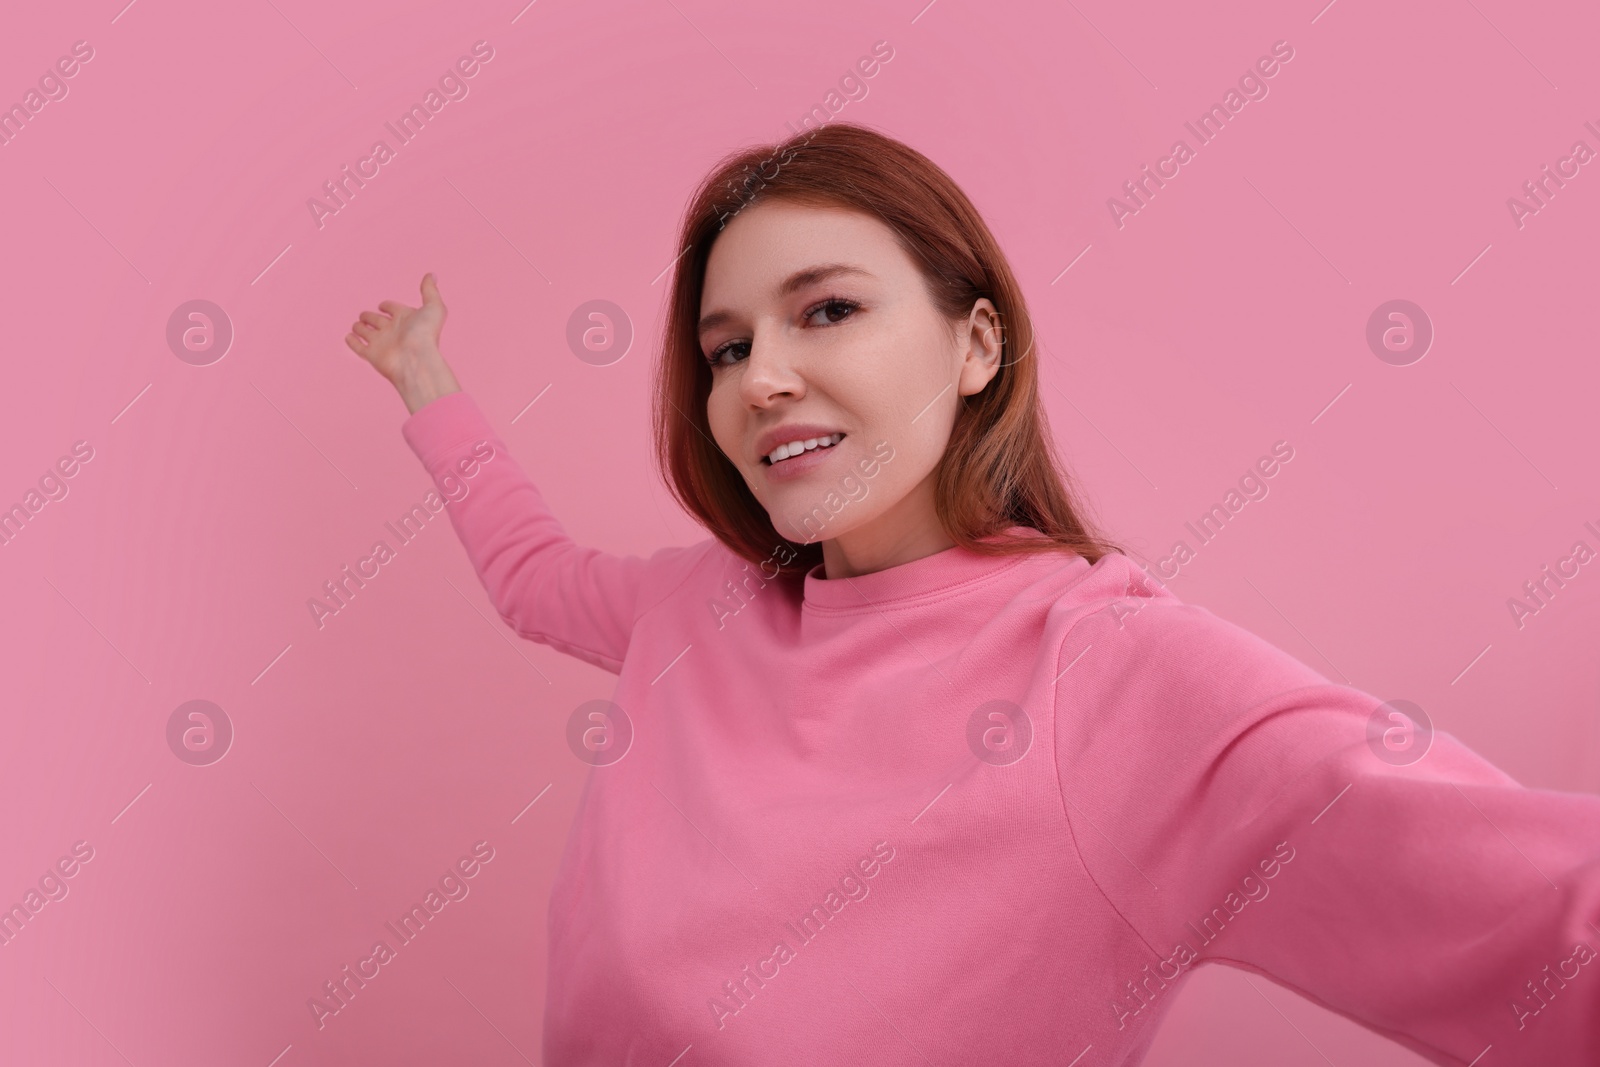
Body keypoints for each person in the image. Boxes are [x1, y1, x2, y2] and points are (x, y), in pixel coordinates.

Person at [343, 122, 1600, 1065]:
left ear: (976, 344)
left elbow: (1538, 912)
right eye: (725, 347)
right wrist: (428, 383)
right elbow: (530, 577)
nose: (759, 378)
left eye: (824, 310)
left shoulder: (1107, 672)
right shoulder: (691, 609)